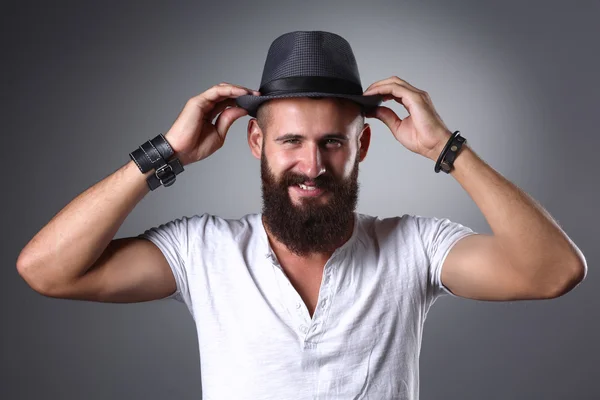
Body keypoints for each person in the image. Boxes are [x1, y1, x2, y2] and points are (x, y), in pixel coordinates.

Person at [17, 31, 586, 399]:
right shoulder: (203, 251)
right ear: (255, 143)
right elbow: (47, 269)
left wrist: (447, 150)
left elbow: (553, 271)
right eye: (291, 141)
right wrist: (165, 154)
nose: (311, 165)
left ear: (361, 147)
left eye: (332, 143)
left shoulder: (416, 247)